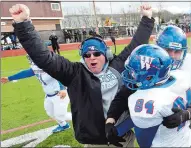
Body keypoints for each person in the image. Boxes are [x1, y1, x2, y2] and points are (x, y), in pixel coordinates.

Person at [9, 3, 155, 146]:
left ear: (106, 54)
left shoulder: (117, 65)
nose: (92, 57)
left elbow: (137, 44)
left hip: (122, 136)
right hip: (95, 141)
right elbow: (44, 57)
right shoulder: (74, 74)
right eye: (87, 54)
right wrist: (23, 24)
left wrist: (147, 18)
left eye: (97, 53)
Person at [106, 25, 191, 145]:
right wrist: (111, 120)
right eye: (168, 50)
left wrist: (186, 114)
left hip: (182, 139)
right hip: (153, 139)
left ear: (183, 52)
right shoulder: (148, 65)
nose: (172, 56)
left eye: (177, 51)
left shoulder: (189, 68)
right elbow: (123, 96)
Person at [1, 55, 72, 133]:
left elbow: (59, 75)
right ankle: (64, 125)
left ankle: (83, 117)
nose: (31, 61)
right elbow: (24, 73)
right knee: (51, 113)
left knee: (61, 115)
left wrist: (62, 89)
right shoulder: (36, 69)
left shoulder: (50, 66)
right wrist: (9, 78)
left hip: (60, 95)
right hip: (49, 95)